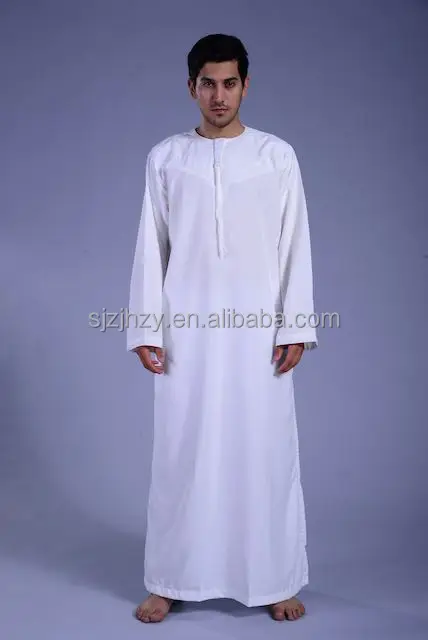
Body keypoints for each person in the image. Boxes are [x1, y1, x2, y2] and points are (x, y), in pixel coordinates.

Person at [126, 33, 318, 623]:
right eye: (207, 84)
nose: (218, 95)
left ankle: (274, 578)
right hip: (187, 332)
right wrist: (145, 328)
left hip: (258, 331)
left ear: (245, 86)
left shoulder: (275, 156)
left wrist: (296, 324)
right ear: (191, 87)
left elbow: (295, 242)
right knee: (182, 452)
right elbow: (151, 247)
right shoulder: (167, 158)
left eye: (229, 83)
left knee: (263, 450)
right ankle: (170, 578)